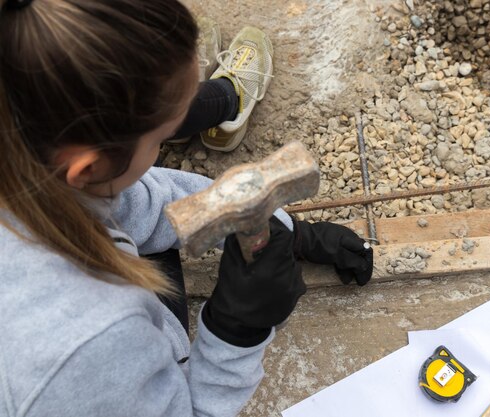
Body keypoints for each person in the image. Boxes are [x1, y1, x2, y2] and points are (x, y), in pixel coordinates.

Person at [0, 1, 373, 417]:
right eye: (161, 139)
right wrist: (237, 331)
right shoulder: (89, 346)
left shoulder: (22, 142)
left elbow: (135, 203)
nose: (159, 155)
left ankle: (216, 100)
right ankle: (219, 100)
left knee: (164, 123)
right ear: (87, 168)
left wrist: (292, 230)